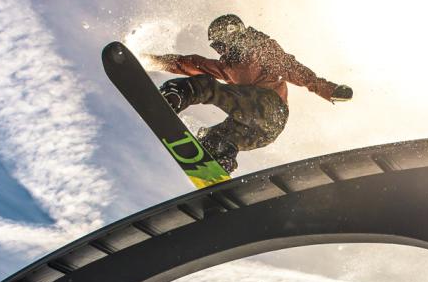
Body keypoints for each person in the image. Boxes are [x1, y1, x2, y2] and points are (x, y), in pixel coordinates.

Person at [146, 14, 352, 174]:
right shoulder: (226, 66)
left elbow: (294, 70)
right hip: (263, 132)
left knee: (204, 87)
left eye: (220, 44)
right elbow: (189, 63)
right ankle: (221, 157)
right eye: (216, 47)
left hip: (270, 108)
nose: (221, 51)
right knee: (212, 138)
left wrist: (330, 90)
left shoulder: (262, 49)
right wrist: (154, 60)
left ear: (232, 32)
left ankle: (174, 96)